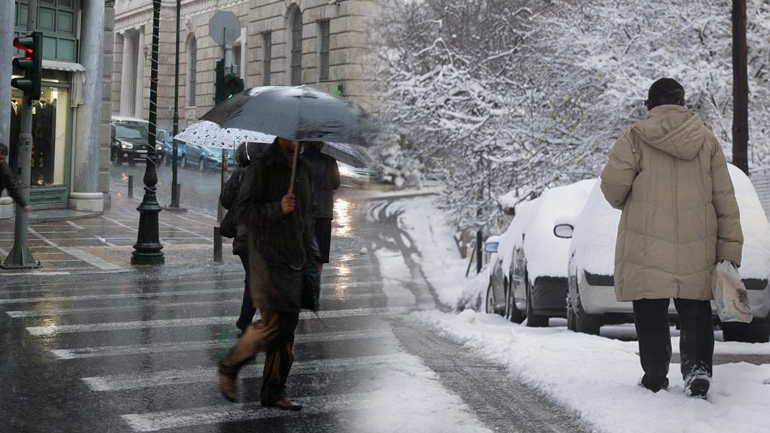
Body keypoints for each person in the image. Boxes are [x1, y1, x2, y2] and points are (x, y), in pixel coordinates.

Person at [600, 78, 743, 399]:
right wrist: (730, 249)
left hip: (646, 243)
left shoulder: (634, 138)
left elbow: (613, 189)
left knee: (650, 308)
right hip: (698, 244)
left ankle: (654, 375)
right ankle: (698, 372)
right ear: (681, 102)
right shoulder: (707, 140)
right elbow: (725, 201)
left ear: (650, 104)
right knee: (695, 307)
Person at [218, 136, 320, 411]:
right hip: (267, 257)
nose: (299, 141)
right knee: (275, 324)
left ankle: (274, 391)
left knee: (287, 329)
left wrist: (311, 255)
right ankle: (230, 365)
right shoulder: (262, 167)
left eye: (302, 137)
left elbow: (306, 217)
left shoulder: (303, 168)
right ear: (281, 135)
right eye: (294, 136)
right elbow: (243, 211)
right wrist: (278, 208)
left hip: (295, 258)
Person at [220, 142, 263, 335]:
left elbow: (225, 201)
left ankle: (247, 321)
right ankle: (249, 321)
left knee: (254, 280)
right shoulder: (273, 174)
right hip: (263, 237)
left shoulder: (240, 173)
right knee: (256, 280)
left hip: (244, 235)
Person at [301, 141, 341, 277]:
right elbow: (336, 184)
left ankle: (302, 284)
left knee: (302, 253)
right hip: (324, 214)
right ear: (321, 144)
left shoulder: (297, 161)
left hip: (302, 214)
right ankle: (315, 284)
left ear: (303, 143)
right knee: (320, 256)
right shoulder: (330, 161)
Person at [0, 142, 32, 213]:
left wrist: (23, 204)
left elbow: (12, 187)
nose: (1, 161)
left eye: (2, 159)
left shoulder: (5, 171)